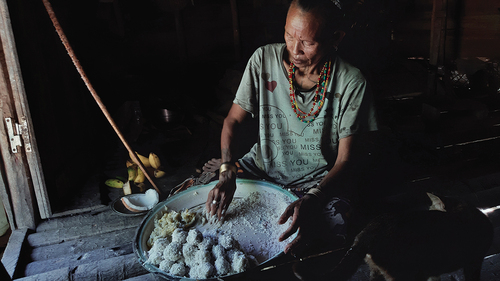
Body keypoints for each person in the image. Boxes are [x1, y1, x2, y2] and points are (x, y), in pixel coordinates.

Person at [205, 0, 378, 257]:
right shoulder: (263, 59)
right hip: (261, 167)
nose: (295, 50)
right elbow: (232, 121)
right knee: (205, 199)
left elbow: (346, 159)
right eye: (288, 35)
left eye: (308, 43)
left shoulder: (351, 82)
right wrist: (228, 170)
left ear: (335, 38)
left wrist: (314, 197)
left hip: (316, 182)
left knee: (333, 226)